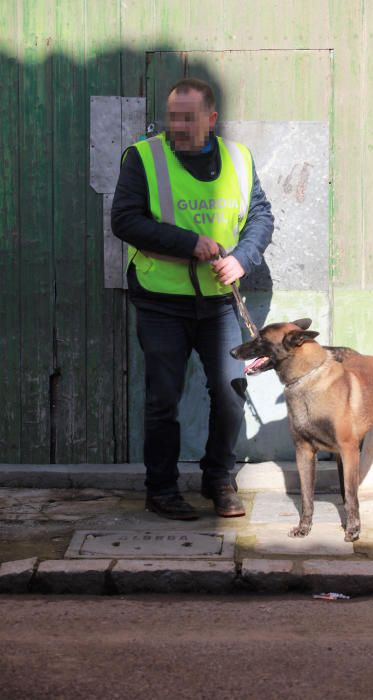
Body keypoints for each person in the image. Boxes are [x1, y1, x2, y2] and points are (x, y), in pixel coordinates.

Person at [111, 77, 274, 520]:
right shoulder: (143, 158)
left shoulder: (239, 158)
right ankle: (161, 489)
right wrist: (189, 242)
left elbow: (260, 214)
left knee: (230, 390)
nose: (178, 125)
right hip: (162, 300)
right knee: (164, 397)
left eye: (189, 117)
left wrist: (242, 257)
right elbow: (124, 220)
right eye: (174, 116)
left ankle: (218, 478)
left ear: (211, 118)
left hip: (220, 300)